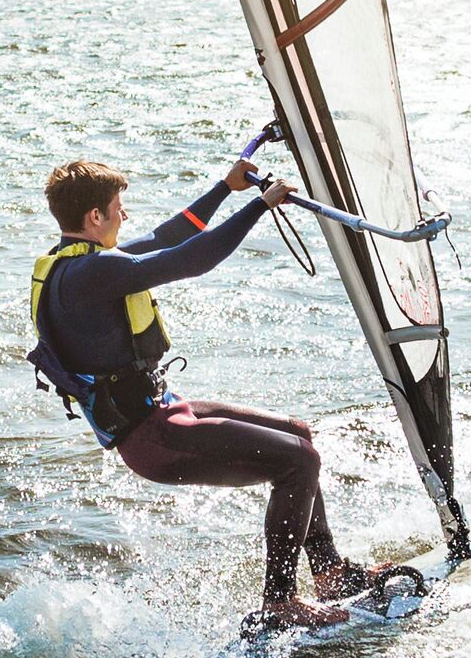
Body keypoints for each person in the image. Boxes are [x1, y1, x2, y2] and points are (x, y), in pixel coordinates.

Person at [31, 148, 387, 631]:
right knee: (299, 461)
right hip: (154, 438)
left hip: (162, 413)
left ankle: (328, 573)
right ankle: (280, 602)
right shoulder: (92, 273)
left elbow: (166, 237)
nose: (124, 216)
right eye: (118, 208)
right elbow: (191, 259)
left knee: (298, 434)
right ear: (95, 216)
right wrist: (259, 206)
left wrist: (225, 188)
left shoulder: (75, 266)